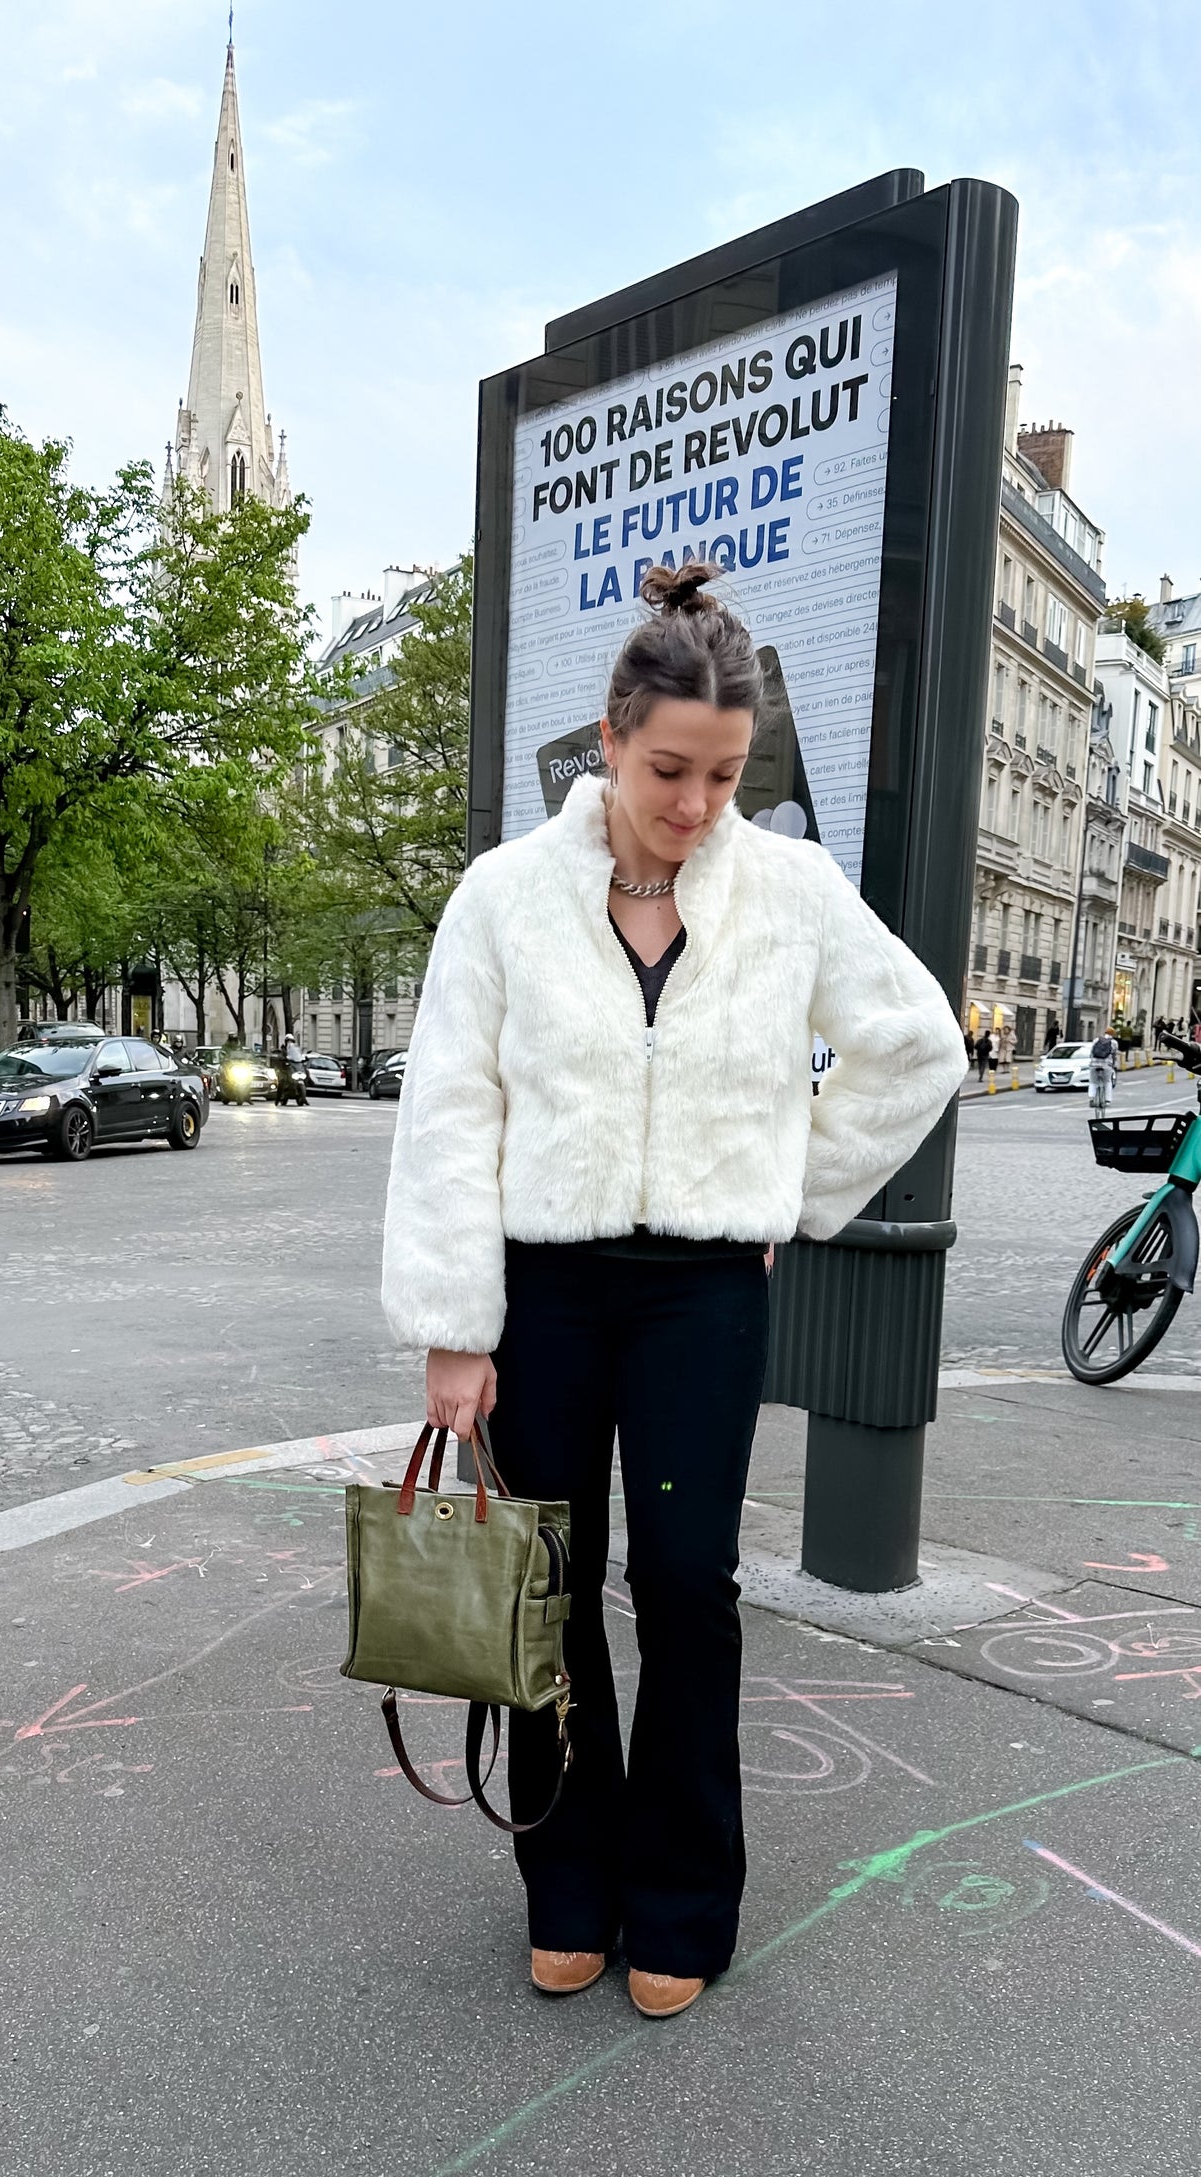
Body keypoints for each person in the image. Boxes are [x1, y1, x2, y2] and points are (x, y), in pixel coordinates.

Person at [381, 564, 966, 2021]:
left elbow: (917, 1047)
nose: (696, 803)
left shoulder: (792, 891)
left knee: (690, 1594)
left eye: (722, 774)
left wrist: (793, 1192)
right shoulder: (505, 897)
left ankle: (683, 1901)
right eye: (667, 769)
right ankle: (567, 1885)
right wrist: (454, 1327)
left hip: (706, 1289)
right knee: (546, 1588)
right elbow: (451, 1106)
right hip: (545, 1289)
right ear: (607, 736)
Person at [1088, 1026, 1118, 1113]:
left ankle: (1091, 1098)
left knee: (1093, 1082)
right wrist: (1113, 1065)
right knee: (1107, 1082)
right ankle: (1107, 1100)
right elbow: (1114, 1055)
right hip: (1106, 1065)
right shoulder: (1114, 1043)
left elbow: (1091, 1053)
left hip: (1094, 1064)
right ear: (1112, 1034)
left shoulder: (1096, 1040)